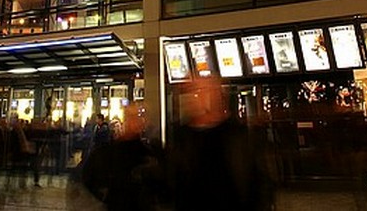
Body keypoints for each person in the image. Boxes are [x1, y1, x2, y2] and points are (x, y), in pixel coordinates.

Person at [169, 77, 273, 211]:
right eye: (192, 92)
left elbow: (257, 181)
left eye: (202, 91)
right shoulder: (183, 136)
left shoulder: (237, 136)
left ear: (218, 96)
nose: (196, 97)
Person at [82, 104, 166, 211]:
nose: (136, 122)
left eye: (138, 117)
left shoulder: (148, 151)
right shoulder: (110, 151)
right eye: (132, 117)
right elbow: (89, 176)